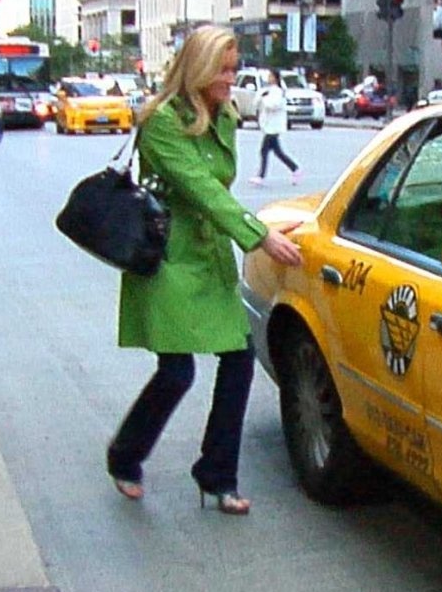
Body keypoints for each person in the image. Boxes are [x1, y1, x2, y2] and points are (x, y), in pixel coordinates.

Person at [107, 26, 304, 515]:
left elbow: (218, 192)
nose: (231, 79)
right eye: (223, 69)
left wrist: (261, 227)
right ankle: (125, 454)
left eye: (234, 69)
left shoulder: (225, 116)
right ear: (197, 68)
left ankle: (217, 474)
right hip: (169, 258)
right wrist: (260, 235)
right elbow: (200, 188)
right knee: (177, 371)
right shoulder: (161, 121)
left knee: (238, 358)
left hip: (209, 254)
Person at [249, 68, 300, 186]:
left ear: (276, 78)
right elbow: (256, 103)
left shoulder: (278, 91)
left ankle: (261, 176)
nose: (268, 78)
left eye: (271, 76)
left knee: (264, 150)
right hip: (268, 125)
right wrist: (261, 97)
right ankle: (295, 169)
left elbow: (273, 105)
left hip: (274, 126)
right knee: (278, 152)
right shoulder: (266, 90)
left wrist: (264, 99)